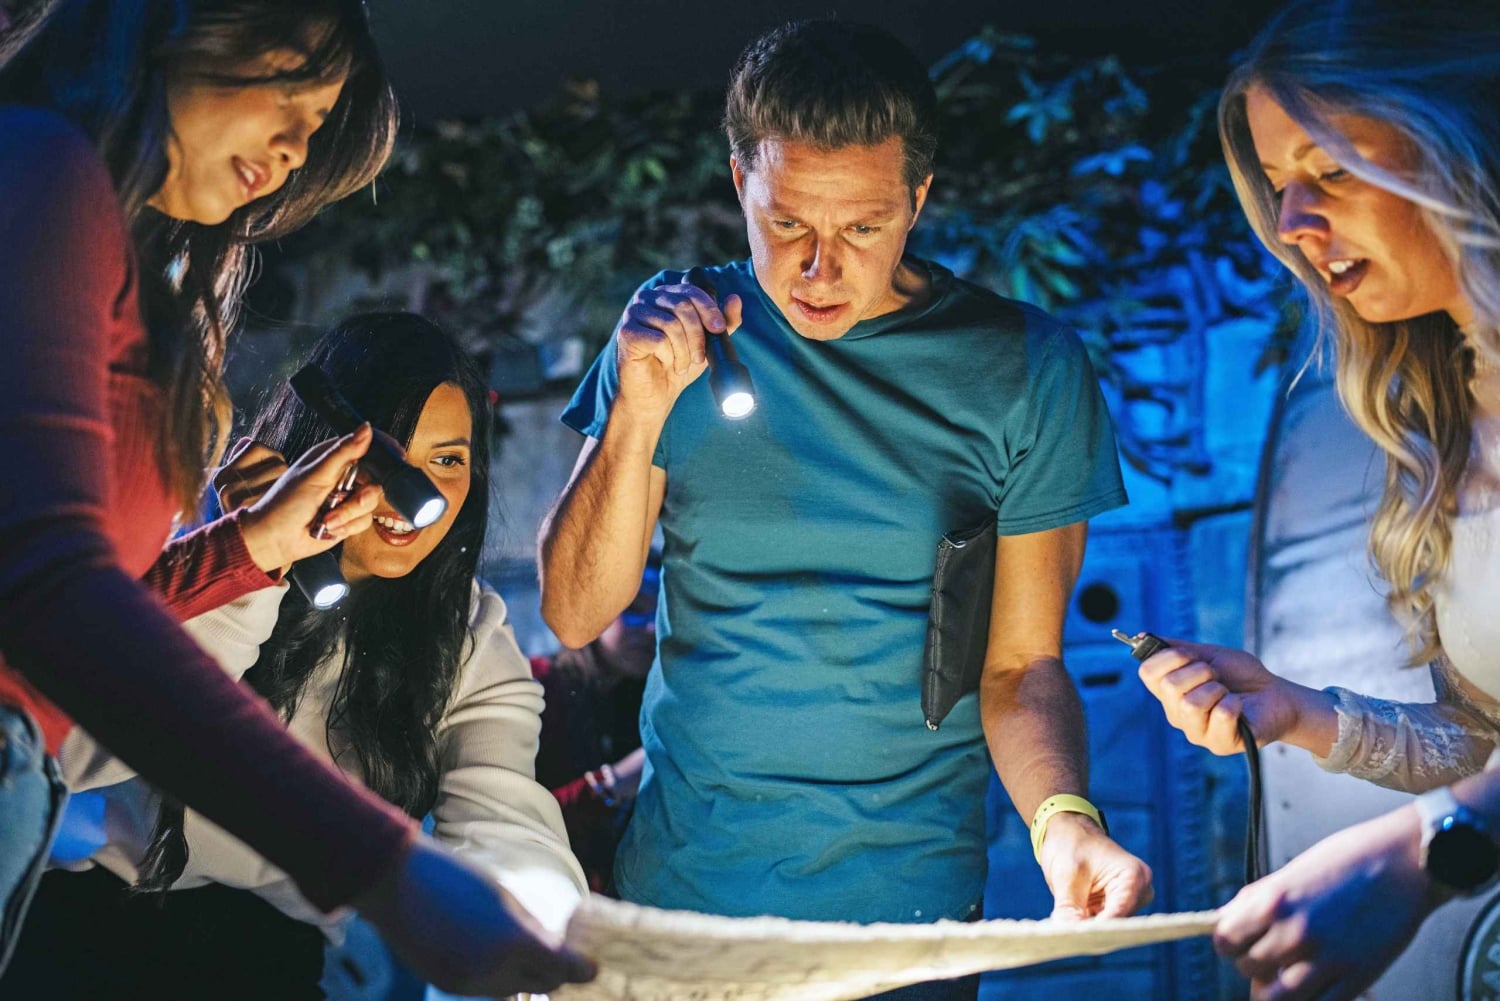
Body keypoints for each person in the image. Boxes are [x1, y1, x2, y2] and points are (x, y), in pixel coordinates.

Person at [539, 21, 1153, 998]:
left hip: (906, 921)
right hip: (680, 907)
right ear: (740, 179)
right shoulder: (674, 335)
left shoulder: (1026, 370)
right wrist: (637, 411)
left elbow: (1021, 662)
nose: (819, 269)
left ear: (919, 199)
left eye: (862, 227)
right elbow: (575, 611)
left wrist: (1064, 820)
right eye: (787, 223)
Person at [0, 1, 589, 993]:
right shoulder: (43, 168)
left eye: (317, 131)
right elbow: (50, 585)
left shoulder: (464, 630)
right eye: (290, 93)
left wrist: (246, 547)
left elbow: (52, 585)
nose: (291, 148)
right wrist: (387, 868)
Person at [1, 312, 590, 997]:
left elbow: (504, 810)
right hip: (94, 920)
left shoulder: (467, 630)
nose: (417, 493)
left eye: (449, 460)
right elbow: (74, 746)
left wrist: (534, 910)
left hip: (275, 956)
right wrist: (254, 562)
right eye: (393, 456)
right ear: (330, 446)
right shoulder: (206, 539)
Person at [1131, 0, 1500, 995]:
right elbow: (1478, 740)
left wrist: (1429, 849)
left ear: (1460, 135)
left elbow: (1474, 798)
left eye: (1330, 170)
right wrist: (1294, 709)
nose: (1292, 225)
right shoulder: (1450, 412)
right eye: (1281, 185)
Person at [533, 556, 658, 892]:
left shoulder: (651, 700)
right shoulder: (534, 685)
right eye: (634, 608)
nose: (652, 628)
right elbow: (509, 821)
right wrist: (614, 782)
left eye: (663, 613)